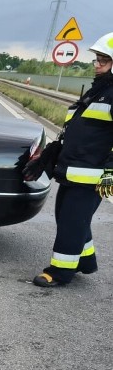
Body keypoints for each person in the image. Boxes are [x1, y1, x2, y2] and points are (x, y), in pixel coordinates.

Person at [24, 32, 113, 287]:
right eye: (97, 59)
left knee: (72, 221)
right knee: (69, 217)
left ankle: (61, 272)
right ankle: (85, 261)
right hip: (75, 170)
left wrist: (110, 175)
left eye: (103, 60)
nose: (96, 64)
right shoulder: (100, 91)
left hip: (93, 175)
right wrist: (54, 150)